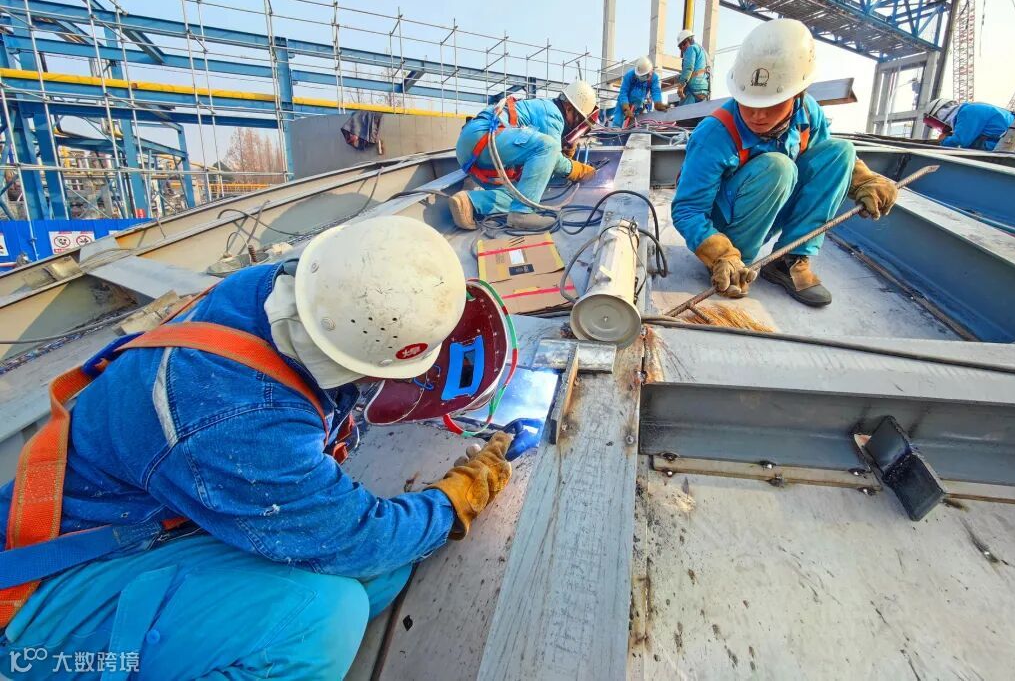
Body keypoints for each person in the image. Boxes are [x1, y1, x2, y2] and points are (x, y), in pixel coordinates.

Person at [0, 216, 513, 680]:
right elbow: (357, 538)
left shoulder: (275, 290)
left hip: (144, 522)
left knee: (378, 575)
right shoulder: (240, 421)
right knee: (324, 618)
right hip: (43, 593)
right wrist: (450, 504)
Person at [671, 18, 899, 307]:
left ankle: (789, 259)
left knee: (841, 151)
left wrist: (864, 182)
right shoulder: (714, 134)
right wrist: (720, 255)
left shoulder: (808, 114)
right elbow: (688, 209)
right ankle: (733, 264)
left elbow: (827, 164)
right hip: (726, 237)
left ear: (797, 94)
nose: (757, 115)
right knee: (779, 167)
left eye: (771, 104)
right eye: (749, 102)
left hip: (772, 208)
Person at [449, 80, 599, 232]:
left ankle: (468, 202)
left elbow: (543, 158)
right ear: (569, 108)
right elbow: (553, 156)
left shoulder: (544, 108)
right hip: (483, 135)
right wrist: (580, 171)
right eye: (579, 120)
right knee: (549, 146)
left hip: (469, 150)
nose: (576, 127)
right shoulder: (553, 113)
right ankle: (522, 214)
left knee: (517, 196)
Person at [923, 98, 1015, 156]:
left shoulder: (967, 112)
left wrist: (943, 141)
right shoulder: (971, 109)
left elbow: (961, 141)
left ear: (940, 113)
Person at [615, 56, 670, 126]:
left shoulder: (654, 78)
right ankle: (615, 131)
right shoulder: (629, 75)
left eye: (645, 76)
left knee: (633, 125)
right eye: (641, 76)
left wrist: (657, 102)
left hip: (638, 105)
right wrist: (626, 108)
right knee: (617, 122)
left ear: (650, 72)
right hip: (624, 102)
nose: (642, 78)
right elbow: (623, 92)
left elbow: (655, 91)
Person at [675, 29, 710, 105]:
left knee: (683, 111)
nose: (682, 47)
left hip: (693, 89)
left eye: (684, 43)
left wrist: (681, 86)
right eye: (680, 47)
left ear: (690, 40)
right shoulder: (702, 51)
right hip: (703, 90)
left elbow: (688, 68)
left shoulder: (691, 48)